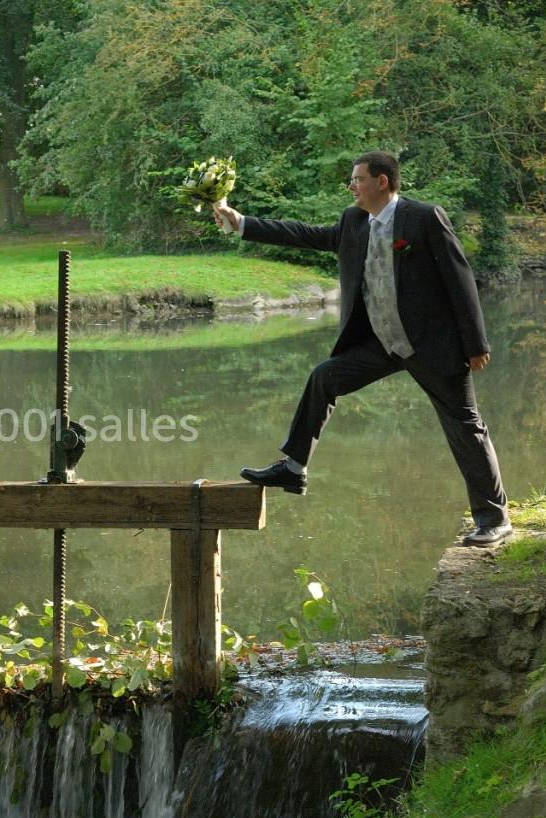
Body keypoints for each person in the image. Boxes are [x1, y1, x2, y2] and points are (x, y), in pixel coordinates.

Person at [212, 151, 512, 547]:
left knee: (464, 427)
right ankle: (294, 466)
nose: (352, 186)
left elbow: (460, 279)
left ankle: (494, 519)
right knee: (324, 377)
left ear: (382, 181)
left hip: (430, 344)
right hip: (381, 343)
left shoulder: (422, 217)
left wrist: (476, 344)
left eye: (357, 179)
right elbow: (303, 234)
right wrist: (242, 224)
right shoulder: (353, 222)